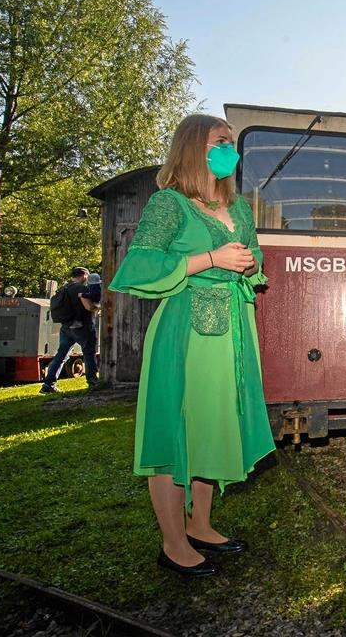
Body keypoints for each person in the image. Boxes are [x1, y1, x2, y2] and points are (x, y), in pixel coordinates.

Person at [109, 113, 275, 578]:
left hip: (234, 328)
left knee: (214, 423)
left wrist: (247, 265)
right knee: (174, 428)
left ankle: (200, 524)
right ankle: (173, 542)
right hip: (186, 329)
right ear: (192, 148)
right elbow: (140, 265)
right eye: (220, 141)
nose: (230, 149)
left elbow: (254, 256)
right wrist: (209, 259)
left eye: (231, 142)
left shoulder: (239, 207)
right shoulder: (169, 205)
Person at [41, 267, 100, 393]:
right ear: (84, 275)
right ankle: (93, 382)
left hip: (66, 327)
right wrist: (99, 307)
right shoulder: (81, 289)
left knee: (61, 355)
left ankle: (48, 384)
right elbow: (89, 307)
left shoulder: (64, 288)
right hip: (82, 326)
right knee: (89, 353)